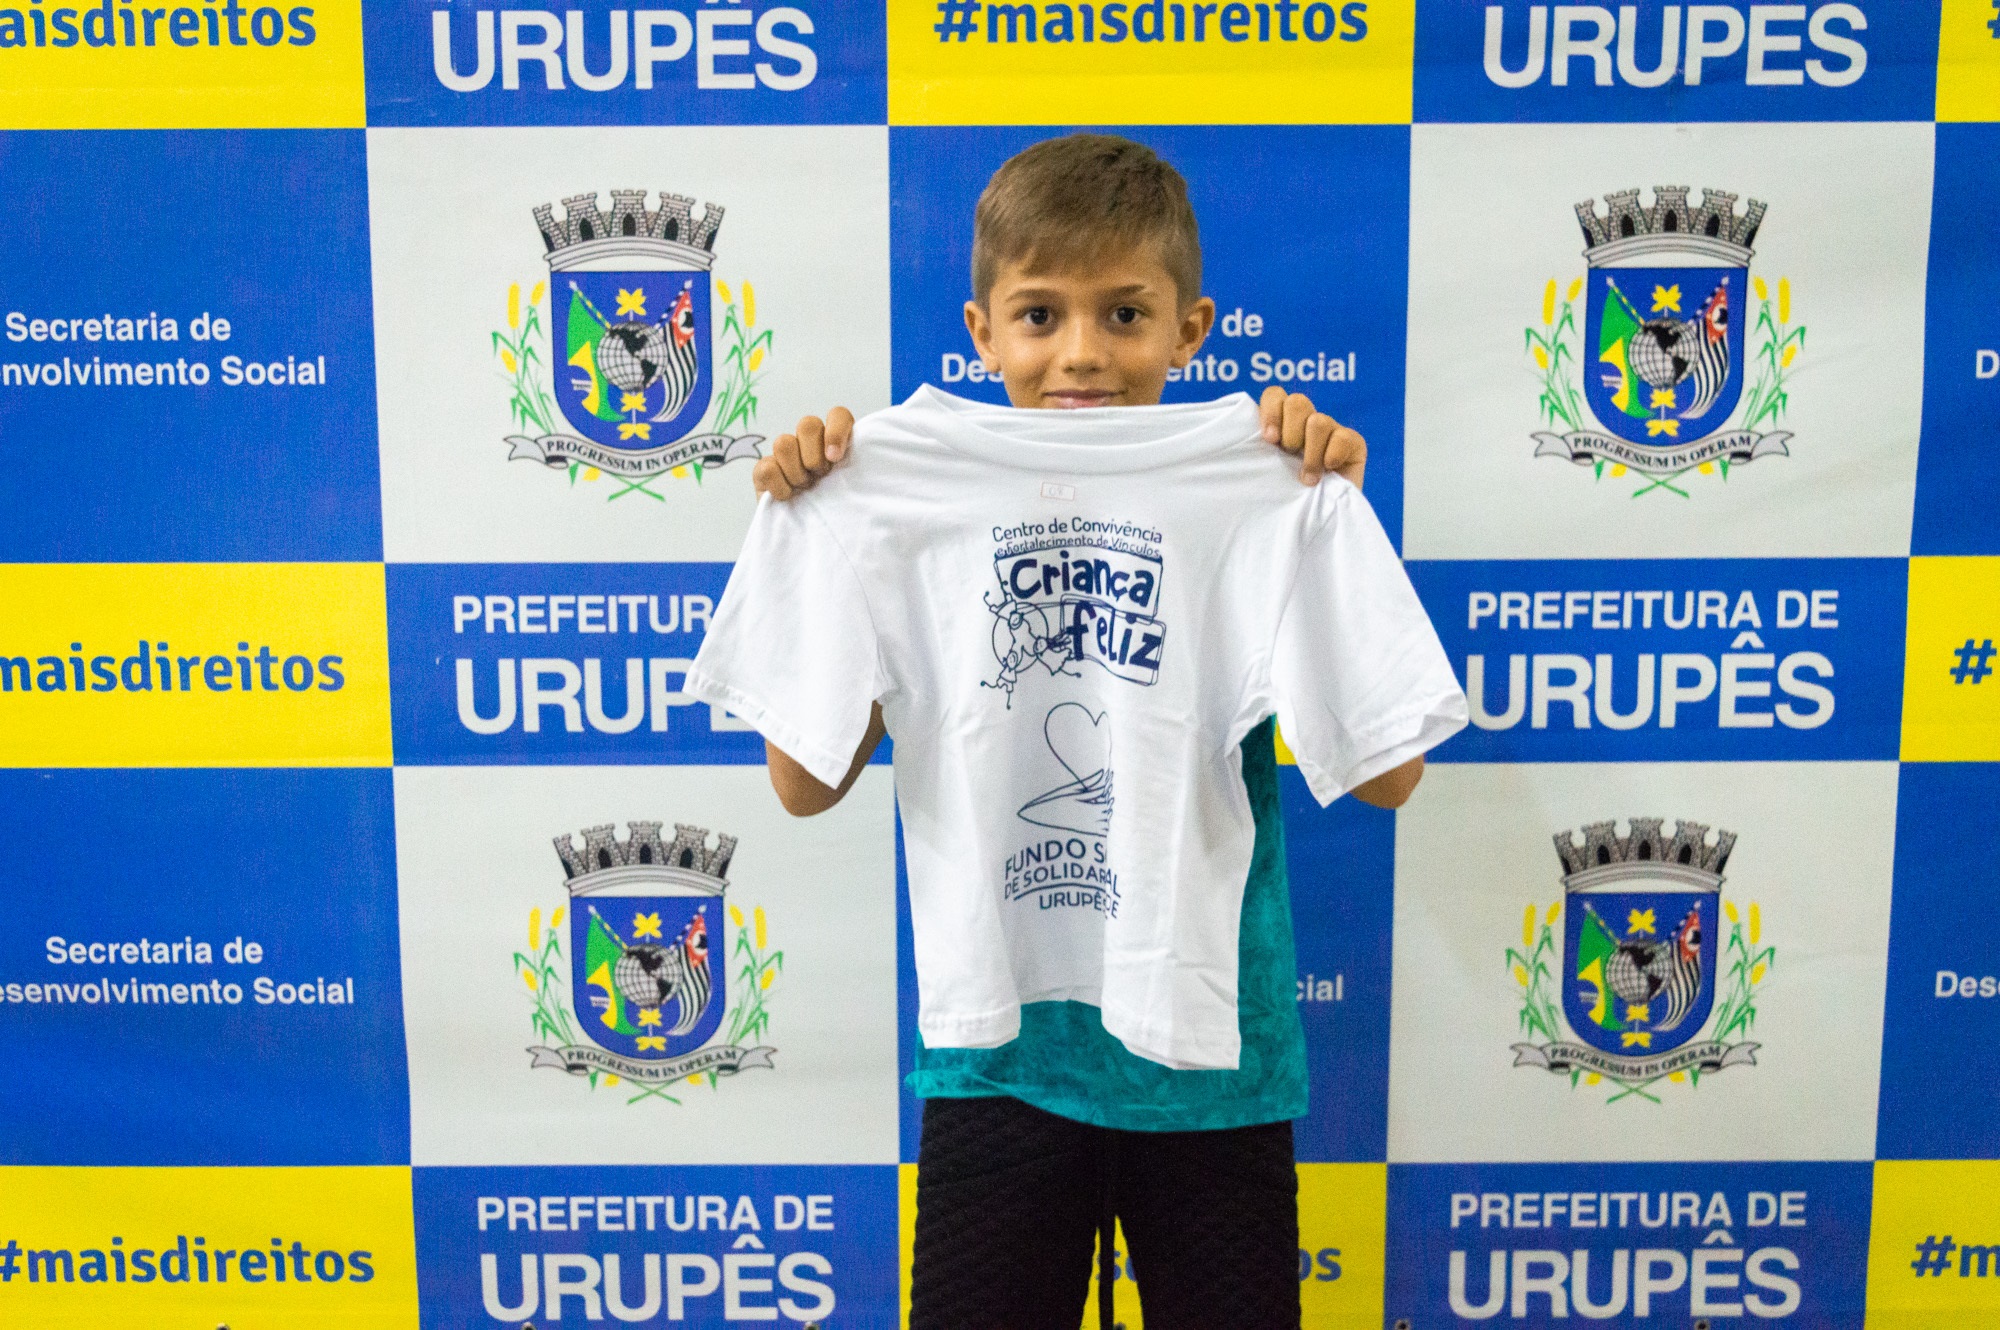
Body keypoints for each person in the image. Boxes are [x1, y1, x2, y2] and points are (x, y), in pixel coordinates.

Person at [689, 133, 1466, 1330]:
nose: (1081, 354)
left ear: (1189, 329)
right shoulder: (883, 483)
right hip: (997, 1050)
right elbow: (800, 785)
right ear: (981, 329)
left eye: (1124, 313)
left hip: (1210, 1058)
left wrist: (1325, 534)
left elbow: (1391, 775)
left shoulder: (1259, 480)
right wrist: (829, 545)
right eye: (1040, 314)